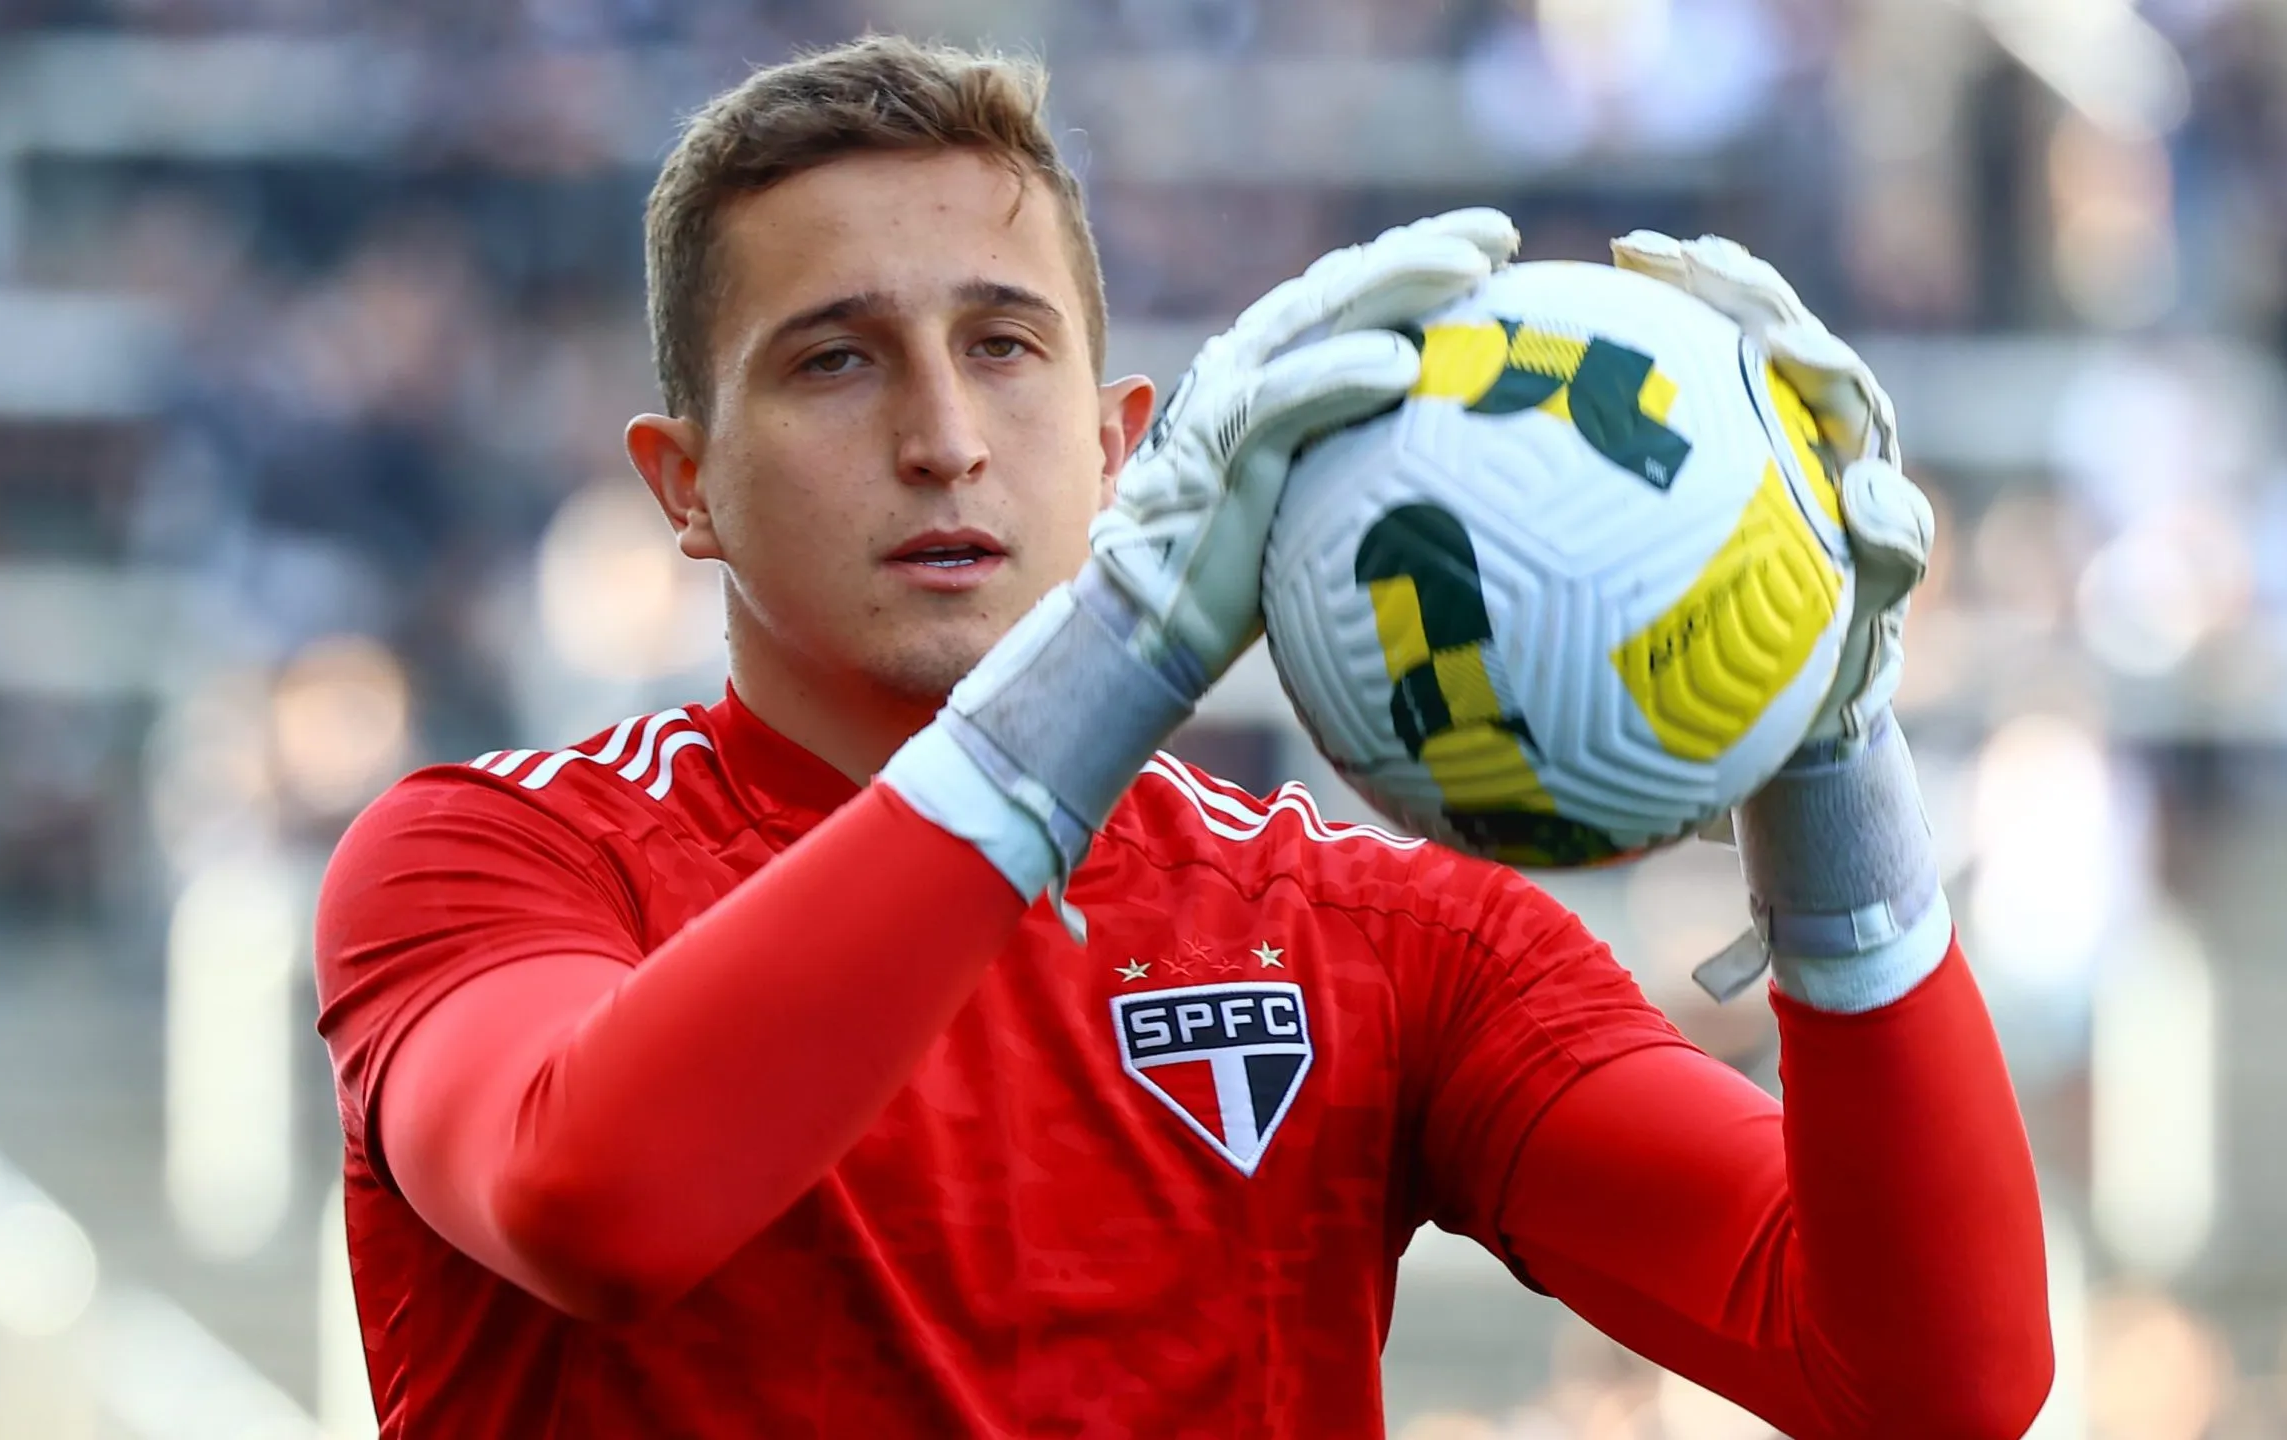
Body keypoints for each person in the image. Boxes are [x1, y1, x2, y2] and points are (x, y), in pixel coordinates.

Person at [313, 34, 2052, 1439]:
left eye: (1004, 347)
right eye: (835, 362)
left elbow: (1933, 1384)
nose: (943, 435)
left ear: (1116, 438)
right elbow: (596, 1202)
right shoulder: (487, 859)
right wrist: (1119, 650)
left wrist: (1828, 747)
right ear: (683, 485)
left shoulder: (1371, 933)